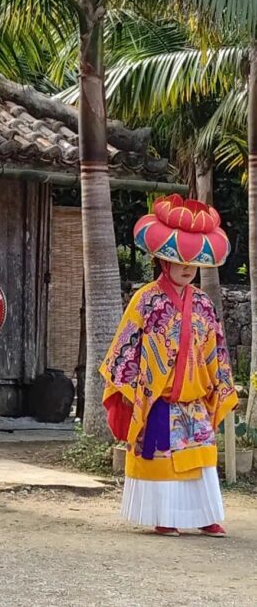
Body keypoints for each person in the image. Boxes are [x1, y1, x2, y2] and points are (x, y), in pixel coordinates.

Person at [100, 194, 237, 537]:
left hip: (195, 400)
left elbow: (216, 349)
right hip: (158, 399)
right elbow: (126, 346)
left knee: (202, 460)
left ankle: (206, 516)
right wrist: (131, 387)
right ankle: (166, 516)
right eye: (180, 261)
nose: (187, 267)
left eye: (193, 262)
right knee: (162, 459)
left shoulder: (204, 303)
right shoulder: (145, 298)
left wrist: (218, 384)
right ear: (164, 261)